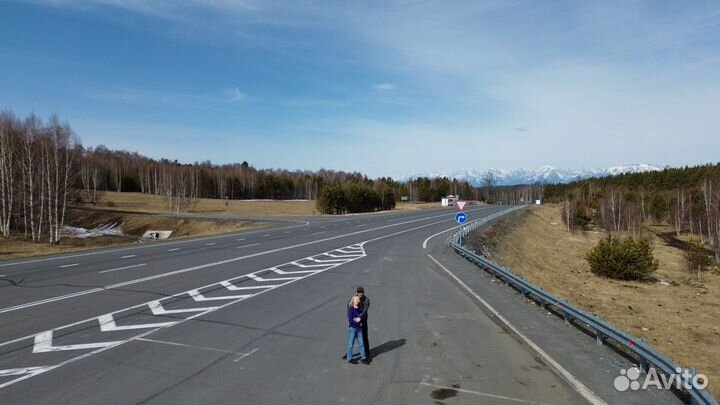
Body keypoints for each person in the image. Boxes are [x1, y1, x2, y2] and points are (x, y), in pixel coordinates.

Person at [342, 287, 371, 361]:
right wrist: (350, 318)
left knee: (364, 338)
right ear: (357, 292)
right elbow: (348, 306)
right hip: (354, 321)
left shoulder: (367, 300)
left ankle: (367, 355)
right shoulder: (354, 297)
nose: (360, 293)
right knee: (351, 340)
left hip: (363, 321)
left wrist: (359, 318)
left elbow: (364, 311)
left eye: (361, 292)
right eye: (359, 292)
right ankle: (348, 354)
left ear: (364, 292)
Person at [346, 295, 369, 365]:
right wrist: (358, 320)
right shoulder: (350, 309)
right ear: (353, 300)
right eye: (355, 299)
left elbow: (363, 317)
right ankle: (349, 358)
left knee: (361, 344)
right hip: (352, 329)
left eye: (358, 299)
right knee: (350, 344)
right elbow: (350, 320)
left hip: (359, 329)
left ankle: (363, 358)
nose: (357, 301)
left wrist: (360, 319)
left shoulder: (360, 309)